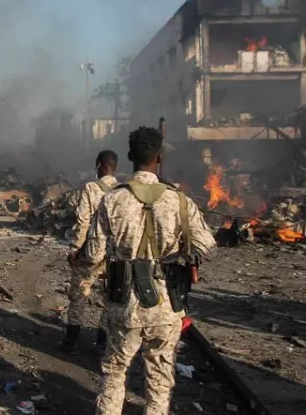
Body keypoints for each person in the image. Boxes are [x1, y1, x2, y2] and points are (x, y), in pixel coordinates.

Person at [85, 127, 217, 415]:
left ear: (130, 156)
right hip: (167, 304)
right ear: (159, 157)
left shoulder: (112, 199)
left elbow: (93, 253)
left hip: (123, 303)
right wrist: (184, 251)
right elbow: (208, 246)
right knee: (159, 378)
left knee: (114, 371)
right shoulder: (179, 200)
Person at [61, 149, 118, 355]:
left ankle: (70, 342)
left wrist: (75, 248)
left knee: (79, 295)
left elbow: (83, 221)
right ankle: (102, 343)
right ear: (115, 167)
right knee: (110, 299)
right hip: (115, 255)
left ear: (98, 166)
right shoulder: (122, 190)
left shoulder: (90, 188)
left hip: (91, 253)